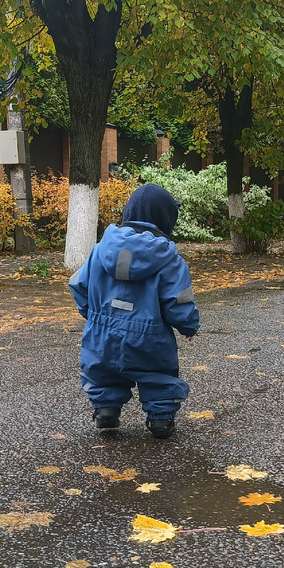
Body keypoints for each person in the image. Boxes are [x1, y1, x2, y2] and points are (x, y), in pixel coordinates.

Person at [68, 183, 200, 439]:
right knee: (158, 375)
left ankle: (106, 410)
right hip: (149, 336)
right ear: (165, 219)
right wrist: (189, 325)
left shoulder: (99, 251)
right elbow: (179, 300)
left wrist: (92, 314)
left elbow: (78, 285)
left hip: (102, 332)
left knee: (103, 373)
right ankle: (160, 419)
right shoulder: (169, 259)